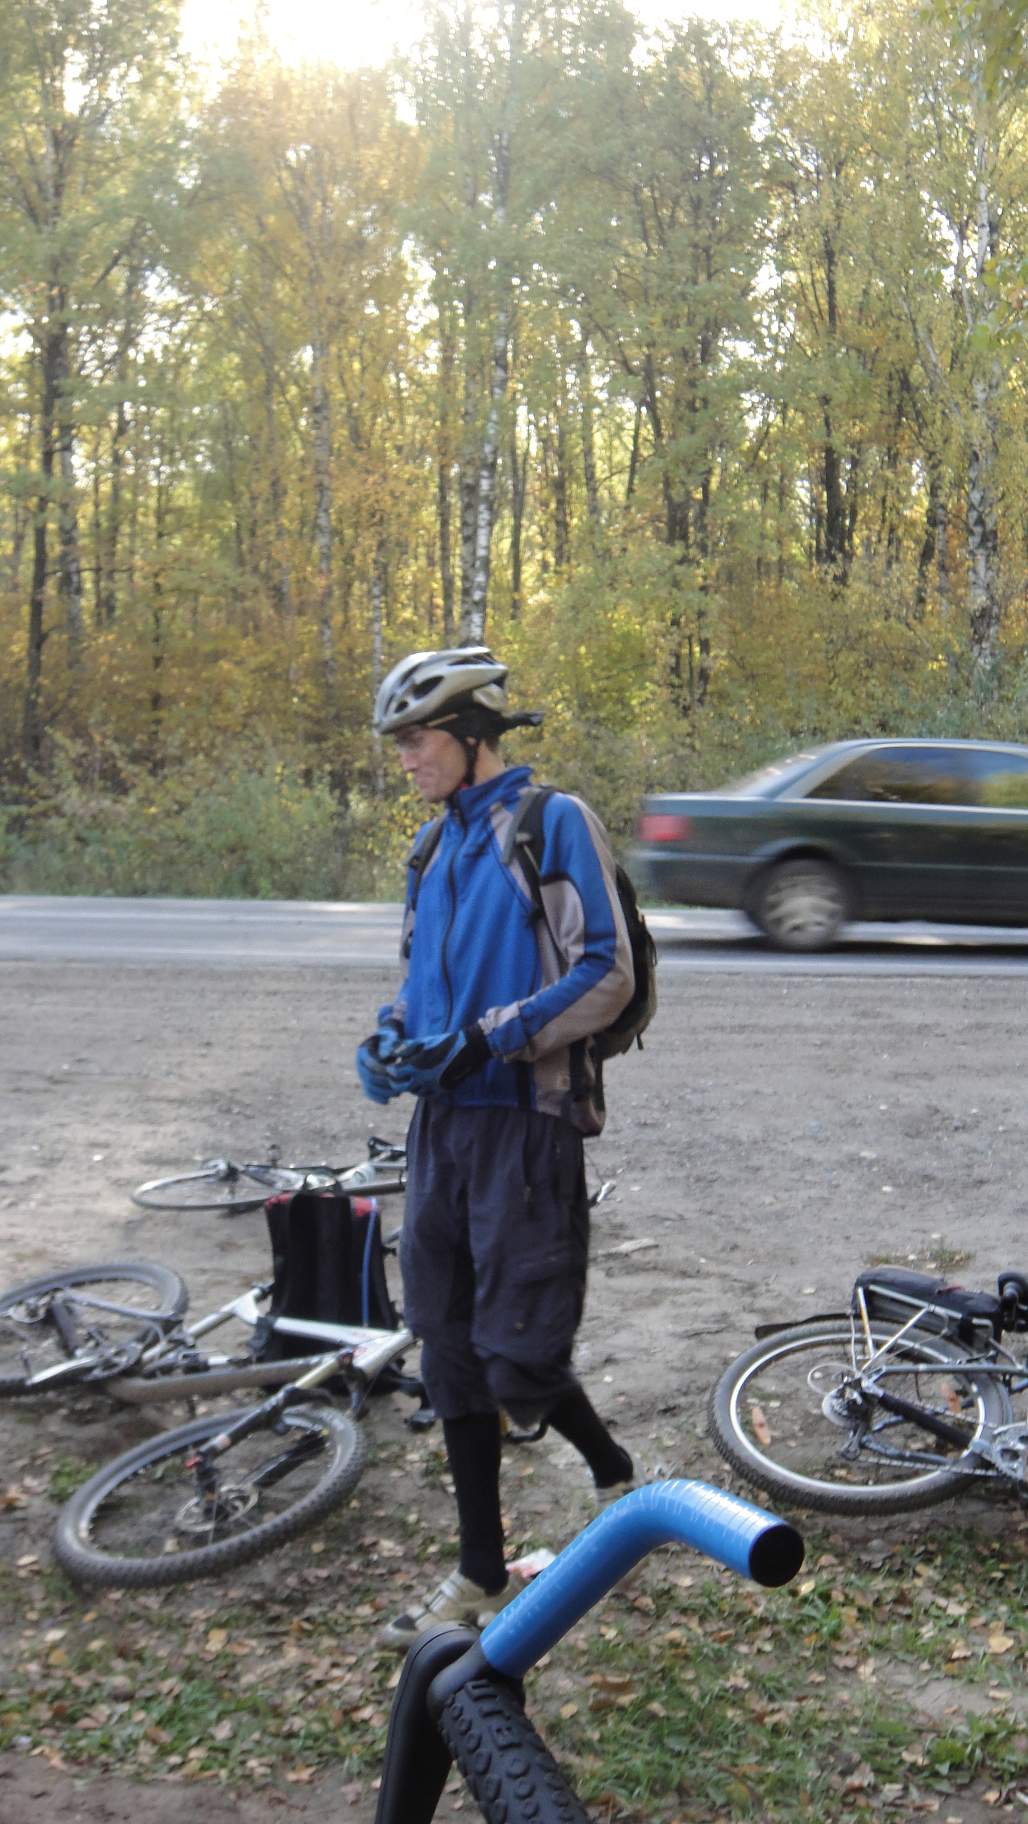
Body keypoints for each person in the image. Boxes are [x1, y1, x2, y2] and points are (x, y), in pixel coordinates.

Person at [357, 646, 636, 1650]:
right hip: (441, 1128)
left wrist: (493, 1036)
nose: (405, 758)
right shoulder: (432, 848)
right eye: (398, 742)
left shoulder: (550, 824)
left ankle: (613, 1473)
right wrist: (389, 1039)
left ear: (473, 735)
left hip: (525, 1121)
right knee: (447, 1350)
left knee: (517, 1357)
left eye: (417, 738)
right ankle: (479, 1571)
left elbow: (606, 970)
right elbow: (415, 982)